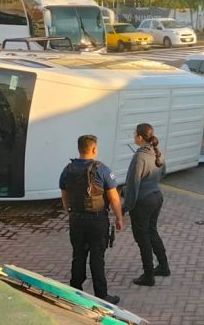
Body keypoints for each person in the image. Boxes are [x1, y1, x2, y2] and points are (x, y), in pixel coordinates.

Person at [59, 134, 125, 304]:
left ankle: (75, 290)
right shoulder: (102, 170)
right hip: (97, 221)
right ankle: (101, 295)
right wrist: (119, 218)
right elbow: (114, 198)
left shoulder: (68, 169)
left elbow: (64, 194)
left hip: (76, 219)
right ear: (94, 149)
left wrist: (69, 211)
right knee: (97, 257)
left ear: (79, 149)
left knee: (78, 255)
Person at [123, 123, 170, 287]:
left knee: (142, 238)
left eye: (134, 133)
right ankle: (164, 266)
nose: (133, 135)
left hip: (143, 201)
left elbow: (132, 184)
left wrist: (125, 207)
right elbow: (163, 173)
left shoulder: (139, 156)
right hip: (157, 196)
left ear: (140, 137)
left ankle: (148, 275)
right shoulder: (157, 152)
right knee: (152, 231)